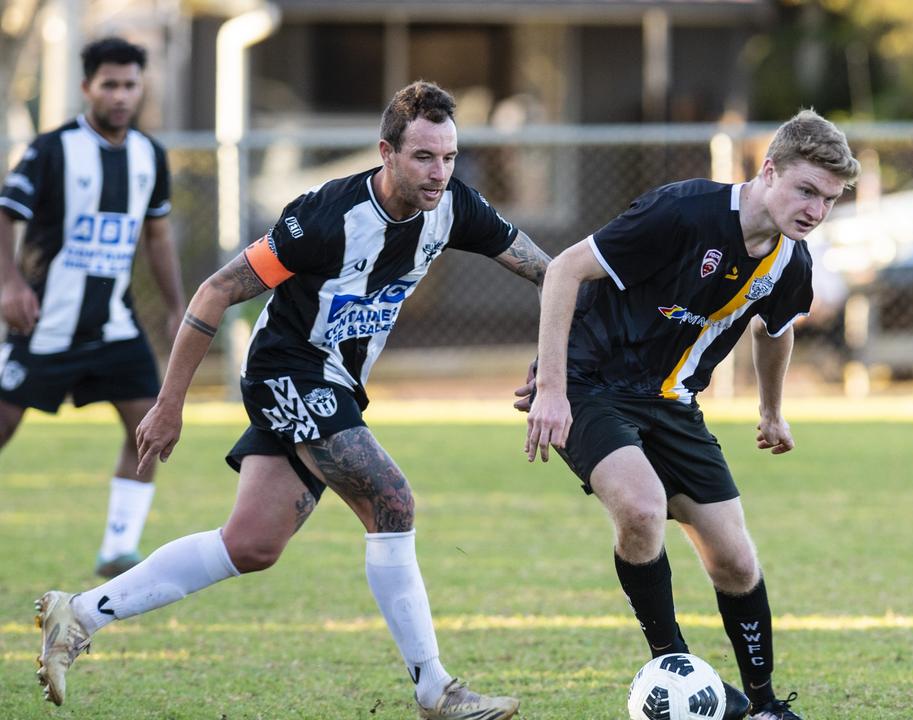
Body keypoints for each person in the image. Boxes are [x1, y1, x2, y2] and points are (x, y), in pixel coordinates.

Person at [34, 80, 550, 719]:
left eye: (448, 157)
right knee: (392, 499)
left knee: (251, 544)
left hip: (336, 386)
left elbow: (552, 275)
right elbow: (214, 293)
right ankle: (435, 691)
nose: (439, 172)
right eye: (423, 157)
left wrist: (551, 365)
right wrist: (170, 404)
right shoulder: (325, 218)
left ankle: (78, 613)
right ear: (386, 152)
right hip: (287, 372)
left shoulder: (456, 207)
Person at [520, 110, 859, 720]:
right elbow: (567, 269)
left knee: (734, 558)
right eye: (806, 190)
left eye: (829, 200)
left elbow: (775, 331)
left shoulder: (792, 262)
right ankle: (671, 664)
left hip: (674, 401)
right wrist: (551, 386)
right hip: (590, 383)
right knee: (642, 507)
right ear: (769, 170)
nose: (815, 209)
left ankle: (763, 706)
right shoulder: (680, 211)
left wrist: (771, 410)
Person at [0, 37, 185, 579]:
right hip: (45, 324)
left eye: (130, 84)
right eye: (110, 84)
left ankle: (118, 549)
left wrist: (178, 307)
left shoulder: (149, 155)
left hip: (112, 326)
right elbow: (5, 211)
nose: (121, 95)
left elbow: (157, 236)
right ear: (87, 88)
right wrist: (9, 284)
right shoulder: (52, 149)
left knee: (150, 426)